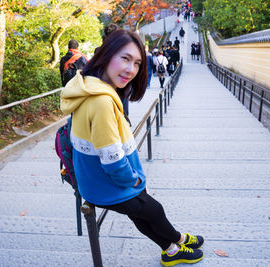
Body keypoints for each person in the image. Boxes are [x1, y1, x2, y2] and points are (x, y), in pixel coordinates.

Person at [60, 30, 204, 267]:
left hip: (92, 180)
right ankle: (178, 239)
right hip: (106, 184)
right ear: (106, 55)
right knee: (154, 210)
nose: (131, 69)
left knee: (141, 213)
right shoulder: (102, 101)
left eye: (137, 63)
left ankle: (171, 249)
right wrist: (133, 179)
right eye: (125, 59)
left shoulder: (87, 85)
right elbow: (112, 159)